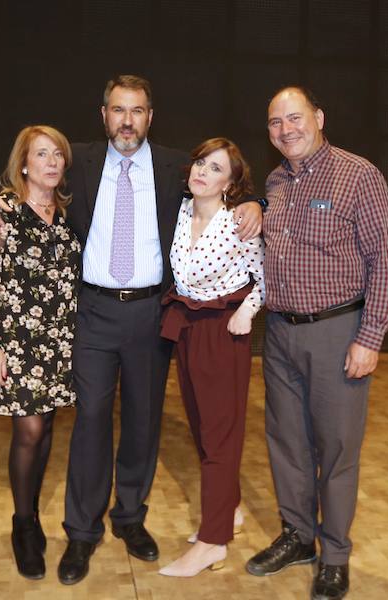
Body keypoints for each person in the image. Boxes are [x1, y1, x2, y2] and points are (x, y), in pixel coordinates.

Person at [0, 75, 263, 584]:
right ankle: (81, 532)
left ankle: (130, 517)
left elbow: (227, 181)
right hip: (93, 312)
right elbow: (23, 183)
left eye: (137, 111)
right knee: (89, 421)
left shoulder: (178, 165)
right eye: (117, 110)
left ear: (151, 116)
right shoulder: (77, 163)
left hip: (152, 312)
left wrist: (253, 203)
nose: (126, 120)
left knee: (143, 419)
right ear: (103, 114)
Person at [245, 86, 388, 600]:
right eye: (275, 123)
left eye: (295, 118)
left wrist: (370, 336)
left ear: (318, 117)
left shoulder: (359, 175)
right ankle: (298, 536)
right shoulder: (275, 181)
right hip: (281, 333)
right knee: (287, 442)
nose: (286, 129)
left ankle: (335, 554)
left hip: (338, 332)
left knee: (336, 450)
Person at [0, 125, 80, 579]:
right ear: (23, 164)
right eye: (41, 154)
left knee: (48, 426)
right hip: (17, 343)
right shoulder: (3, 212)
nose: (51, 162)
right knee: (30, 432)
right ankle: (23, 523)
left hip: (62, 340)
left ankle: (33, 513)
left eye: (57, 154)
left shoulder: (70, 214)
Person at [156, 138, 265, 577]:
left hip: (223, 331)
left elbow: (267, 275)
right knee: (202, 428)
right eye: (201, 162)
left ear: (231, 182)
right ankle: (230, 506)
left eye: (216, 168)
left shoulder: (237, 222)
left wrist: (247, 312)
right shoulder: (181, 210)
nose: (203, 172)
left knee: (220, 437)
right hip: (187, 326)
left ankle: (212, 540)